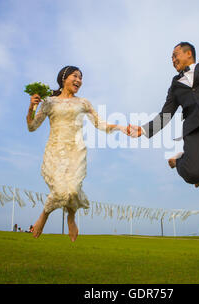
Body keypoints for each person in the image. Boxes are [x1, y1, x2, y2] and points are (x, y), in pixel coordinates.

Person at [128, 18, 199, 188]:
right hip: (194, 131)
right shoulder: (175, 84)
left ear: (188, 53)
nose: (172, 60)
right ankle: (180, 161)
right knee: (193, 174)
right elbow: (166, 114)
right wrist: (143, 130)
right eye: (171, 57)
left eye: (175, 55)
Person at [27, 66, 128, 241]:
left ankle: (71, 217)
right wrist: (32, 107)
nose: (79, 80)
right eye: (75, 76)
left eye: (81, 78)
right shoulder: (49, 102)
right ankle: (44, 215)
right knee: (60, 190)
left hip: (76, 150)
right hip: (55, 150)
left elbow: (100, 123)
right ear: (64, 78)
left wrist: (120, 126)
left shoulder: (83, 103)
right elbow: (31, 127)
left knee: (73, 189)